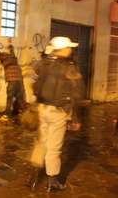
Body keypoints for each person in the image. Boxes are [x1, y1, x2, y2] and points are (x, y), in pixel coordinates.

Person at [30, 36, 85, 192]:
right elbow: (77, 93)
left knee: (41, 141)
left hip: (42, 108)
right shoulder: (69, 67)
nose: (71, 50)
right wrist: (76, 117)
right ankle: (52, 181)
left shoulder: (42, 63)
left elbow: (34, 84)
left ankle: (34, 177)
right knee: (54, 148)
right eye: (69, 47)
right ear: (62, 49)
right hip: (58, 111)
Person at [0, 36, 25, 119]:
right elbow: (12, 50)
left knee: (10, 98)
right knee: (20, 98)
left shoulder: (3, 58)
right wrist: (10, 43)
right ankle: (25, 112)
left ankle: (7, 114)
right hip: (19, 80)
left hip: (11, 81)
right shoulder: (13, 58)